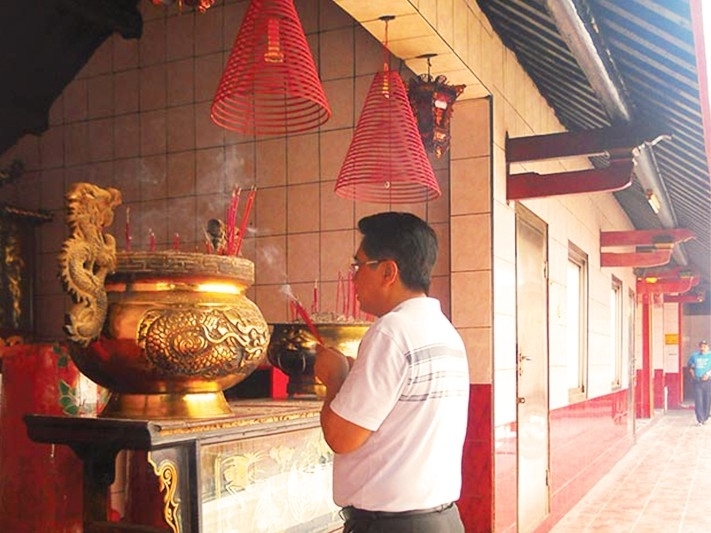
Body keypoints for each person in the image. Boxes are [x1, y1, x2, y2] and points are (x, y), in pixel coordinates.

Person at [314, 212, 470, 533]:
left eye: (358, 266)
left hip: (394, 526)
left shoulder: (391, 332)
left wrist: (335, 378)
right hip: (442, 521)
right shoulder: (444, 332)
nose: (353, 278)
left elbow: (342, 437)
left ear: (388, 271)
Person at [687, 339, 711, 425]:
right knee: (698, 400)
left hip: (708, 381)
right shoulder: (694, 356)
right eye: (701, 346)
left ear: (708, 347)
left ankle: (705, 416)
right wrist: (692, 372)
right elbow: (690, 365)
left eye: (704, 346)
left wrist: (708, 374)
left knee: (707, 399)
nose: (702, 348)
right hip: (697, 381)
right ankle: (700, 419)